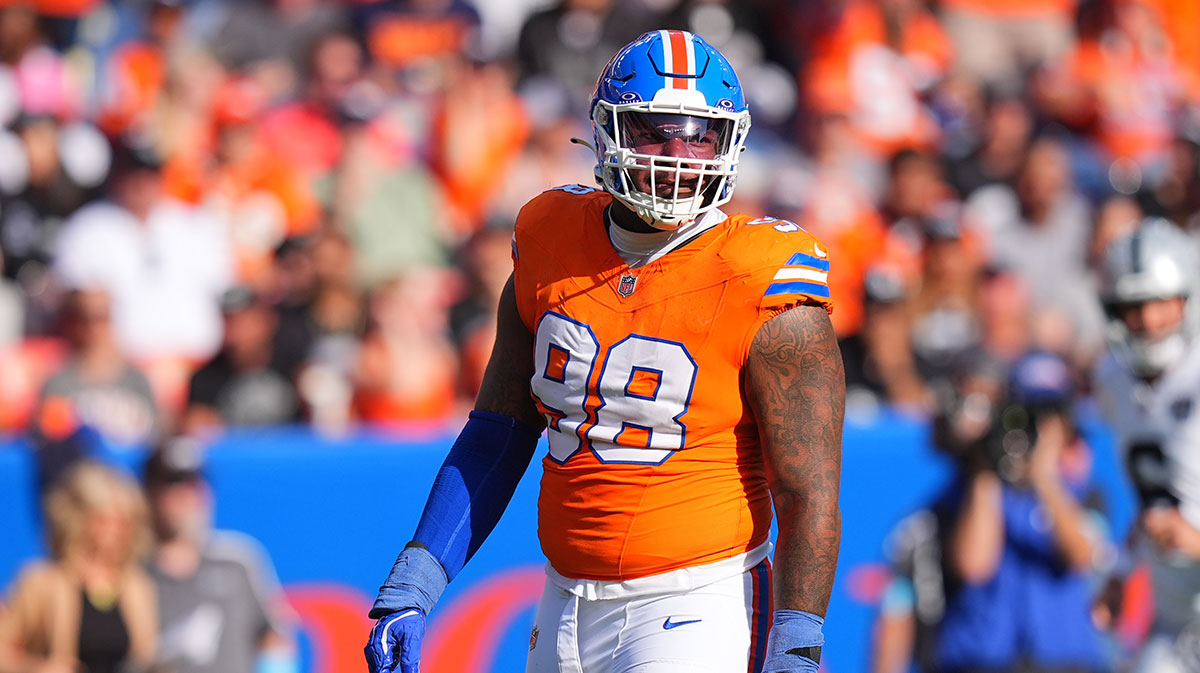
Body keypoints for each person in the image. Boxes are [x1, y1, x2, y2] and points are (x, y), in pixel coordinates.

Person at [364, 30, 845, 673]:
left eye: (699, 135)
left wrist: (798, 642)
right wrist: (417, 579)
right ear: (607, 131)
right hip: (563, 599)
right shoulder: (549, 237)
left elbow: (808, 491)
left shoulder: (763, 274)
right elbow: (499, 431)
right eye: (655, 131)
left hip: (701, 602)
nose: (679, 155)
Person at [1093, 218, 1200, 673]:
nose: (1149, 320)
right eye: (1134, 306)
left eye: (1161, 303)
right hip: (1174, 616)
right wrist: (1121, 570)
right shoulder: (1114, 381)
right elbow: (1156, 499)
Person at [142, 436, 298, 673]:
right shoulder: (132, 570)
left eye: (192, 483)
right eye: (172, 484)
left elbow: (274, 638)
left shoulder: (237, 559)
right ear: (149, 492)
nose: (185, 496)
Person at [0, 460, 157, 673]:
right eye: (104, 521)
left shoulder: (137, 585)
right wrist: (36, 668)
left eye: (122, 522)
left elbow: (145, 655)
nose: (115, 532)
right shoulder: (40, 582)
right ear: (78, 520)